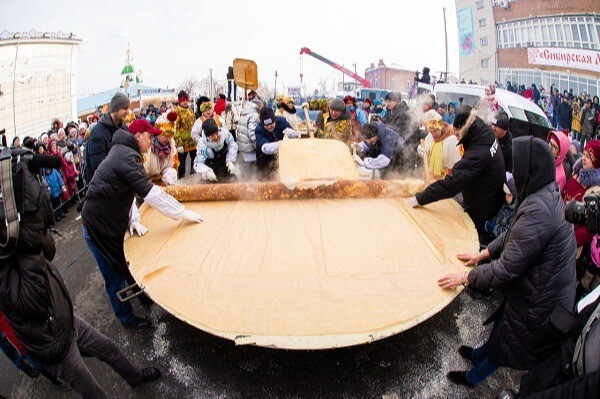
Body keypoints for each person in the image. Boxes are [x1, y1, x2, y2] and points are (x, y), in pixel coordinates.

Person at [0, 147, 162, 397]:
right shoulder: (7, 268)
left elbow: (48, 244)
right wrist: (28, 240)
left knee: (107, 347)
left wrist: (26, 192)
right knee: (93, 391)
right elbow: (35, 301)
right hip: (53, 343)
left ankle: (135, 377)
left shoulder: (19, 246)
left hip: (64, 319)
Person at [438, 136, 576, 388]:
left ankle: (472, 379)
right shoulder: (543, 192)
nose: (514, 171)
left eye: (517, 166)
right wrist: (484, 253)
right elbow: (514, 231)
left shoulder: (540, 210)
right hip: (533, 292)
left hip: (540, 304)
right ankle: (478, 354)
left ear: (529, 170)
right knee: (502, 329)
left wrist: (467, 278)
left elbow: (507, 268)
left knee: (507, 344)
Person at [81, 119, 203, 329]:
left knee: (126, 263)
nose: (151, 140)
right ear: (138, 136)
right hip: (97, 226)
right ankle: (127, 319)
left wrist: (134, 218)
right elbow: (151, 192)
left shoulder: (123, 152)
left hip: (109, 220)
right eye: (148, 136)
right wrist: (181, 212)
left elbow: (124, 192)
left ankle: (145, 298)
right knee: (114, 276)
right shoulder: (126, 156)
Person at [407, 107, 506, 238]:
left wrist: (419, 199)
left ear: (465, 129)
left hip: (483, 205)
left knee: (461, 234)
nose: (455, 135)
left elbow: (454, 182)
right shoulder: (484, 131)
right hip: (490, 194)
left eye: (457, 133)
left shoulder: (478, 153)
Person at [85, 92, 130, 182]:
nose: (127, 111)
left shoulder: (123, 128)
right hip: (103, 189)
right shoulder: (97, 134)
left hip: (119, 184)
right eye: (124, 108)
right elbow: (100, 169)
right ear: (116, 109)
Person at [255, 108, 298, 178]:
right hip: (264, 160)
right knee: (265, 180)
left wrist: (292, 133)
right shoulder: (259, 130)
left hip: (281, 159)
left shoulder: (282, 121)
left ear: (274, 120)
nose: (269, 127)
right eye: (266, 125)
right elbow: (265, 148)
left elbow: (295, 136)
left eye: (271, 124)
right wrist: (282, 144)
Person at [418, 110, 461, 179]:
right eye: (431, 131)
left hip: (447, 178)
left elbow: (457, 163)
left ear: (441, 127)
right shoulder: (430, 136)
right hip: (431, 177)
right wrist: (421, 149)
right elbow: (426, 150)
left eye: (435, 130)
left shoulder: (452, 139)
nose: (433, 134)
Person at [144, 111, 179, 185]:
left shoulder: (171, 144)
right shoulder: (147, 145)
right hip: (147, 186)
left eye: (171, 136)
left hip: (163, 184)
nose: (168, 139)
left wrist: (169, 175)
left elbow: (173, 164)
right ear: (157, 132)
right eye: (166, 135)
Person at [484, 175, 516, 239]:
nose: (506, 197)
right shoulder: (507, 204)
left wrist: (493, 227)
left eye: (509, 195)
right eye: (506, 194)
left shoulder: (514, 213)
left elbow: (506, 234)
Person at [174, 90, 197, 179]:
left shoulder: (191, 110)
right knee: (182, 164)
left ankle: (194, 178)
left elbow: (195, 125)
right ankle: (182, 179)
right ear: (180, 100)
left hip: (192, 142)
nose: (185, 102)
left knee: (195, 161)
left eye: (187, 100)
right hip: (182, 143)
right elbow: (176, 129)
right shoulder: (177, 112)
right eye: (183, 100)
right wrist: (178, 143)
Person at [236, 99, 262, 165]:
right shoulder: (254, 115)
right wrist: (258, 146)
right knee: (252, 169)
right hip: (250, 146)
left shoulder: (245, 113)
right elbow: (252, 133)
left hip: (243, 145)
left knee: (246, 168)